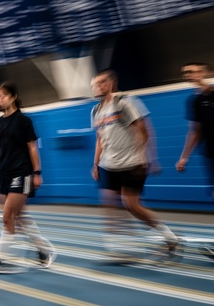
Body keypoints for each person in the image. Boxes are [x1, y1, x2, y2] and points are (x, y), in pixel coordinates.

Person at [90, 69, 180, 260]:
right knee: (108, 203)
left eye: (102, 82)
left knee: (131, 205)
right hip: (109, 165)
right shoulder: (95, 110)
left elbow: (144, 131)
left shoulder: (124, 102)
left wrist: (148, 158)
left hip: (132, 163)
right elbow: (99, 138)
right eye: (95, 84)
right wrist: (95, 163)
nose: (98, 87)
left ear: (112, 83)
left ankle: (169, 236)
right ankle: (119, 248)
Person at [0, 82, 56, 273]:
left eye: (2, 96)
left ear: (13, 97)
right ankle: (43, 249)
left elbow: (32, 147)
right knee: (18, 217)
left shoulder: (23, 121)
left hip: (21, 172)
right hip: (4, 174)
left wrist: (37, 173)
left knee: (8, 216)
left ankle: (1, 258)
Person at [175, 62, 214, 199]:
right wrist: (184, 157)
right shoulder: (194, 101)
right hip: (211, 151)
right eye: (185, 73)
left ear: (202, 72)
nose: (187, 75)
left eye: (191, 71)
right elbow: (194, 131)